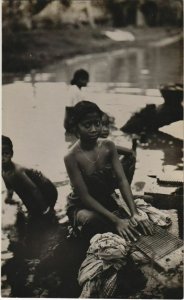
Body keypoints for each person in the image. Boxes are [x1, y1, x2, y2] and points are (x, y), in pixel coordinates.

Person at [64, 101, 153, 242]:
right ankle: (76, 228)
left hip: (107, 199)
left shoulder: (108, 146)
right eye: (87, 125)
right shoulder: (71, 157)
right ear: (76, 128)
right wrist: (117, 221)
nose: (94, 129)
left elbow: (122, 180)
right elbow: (85, 197)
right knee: (93, 220)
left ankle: (118, 219)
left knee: (147, 203)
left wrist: (134, 212)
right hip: (82, 206)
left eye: (97, 124)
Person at [2, 135, 58, 217]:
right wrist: (9, 198)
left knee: (41, 212)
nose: (2, 158)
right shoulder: (3, 172)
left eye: (6, 153)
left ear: (12, 154)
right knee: (30, 206)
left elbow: (34, 189)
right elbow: (9, 187)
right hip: (35, 187)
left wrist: (45, 209)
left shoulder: (17, 171)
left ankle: (48, 213)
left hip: (47, 189)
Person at [101, 112, 136, 184]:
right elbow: (130, 152)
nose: (106, 129)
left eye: (107, 125)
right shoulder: (105, 144)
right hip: (97, 180)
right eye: (101, 125)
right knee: (131, 157)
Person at [64, 69, 89, 133]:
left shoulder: (75, 89)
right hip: (72, 124)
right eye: (86, 79)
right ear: (79, 79)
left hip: (70, 122)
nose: (88, 81)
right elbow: (78, 109)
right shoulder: (75, 90)